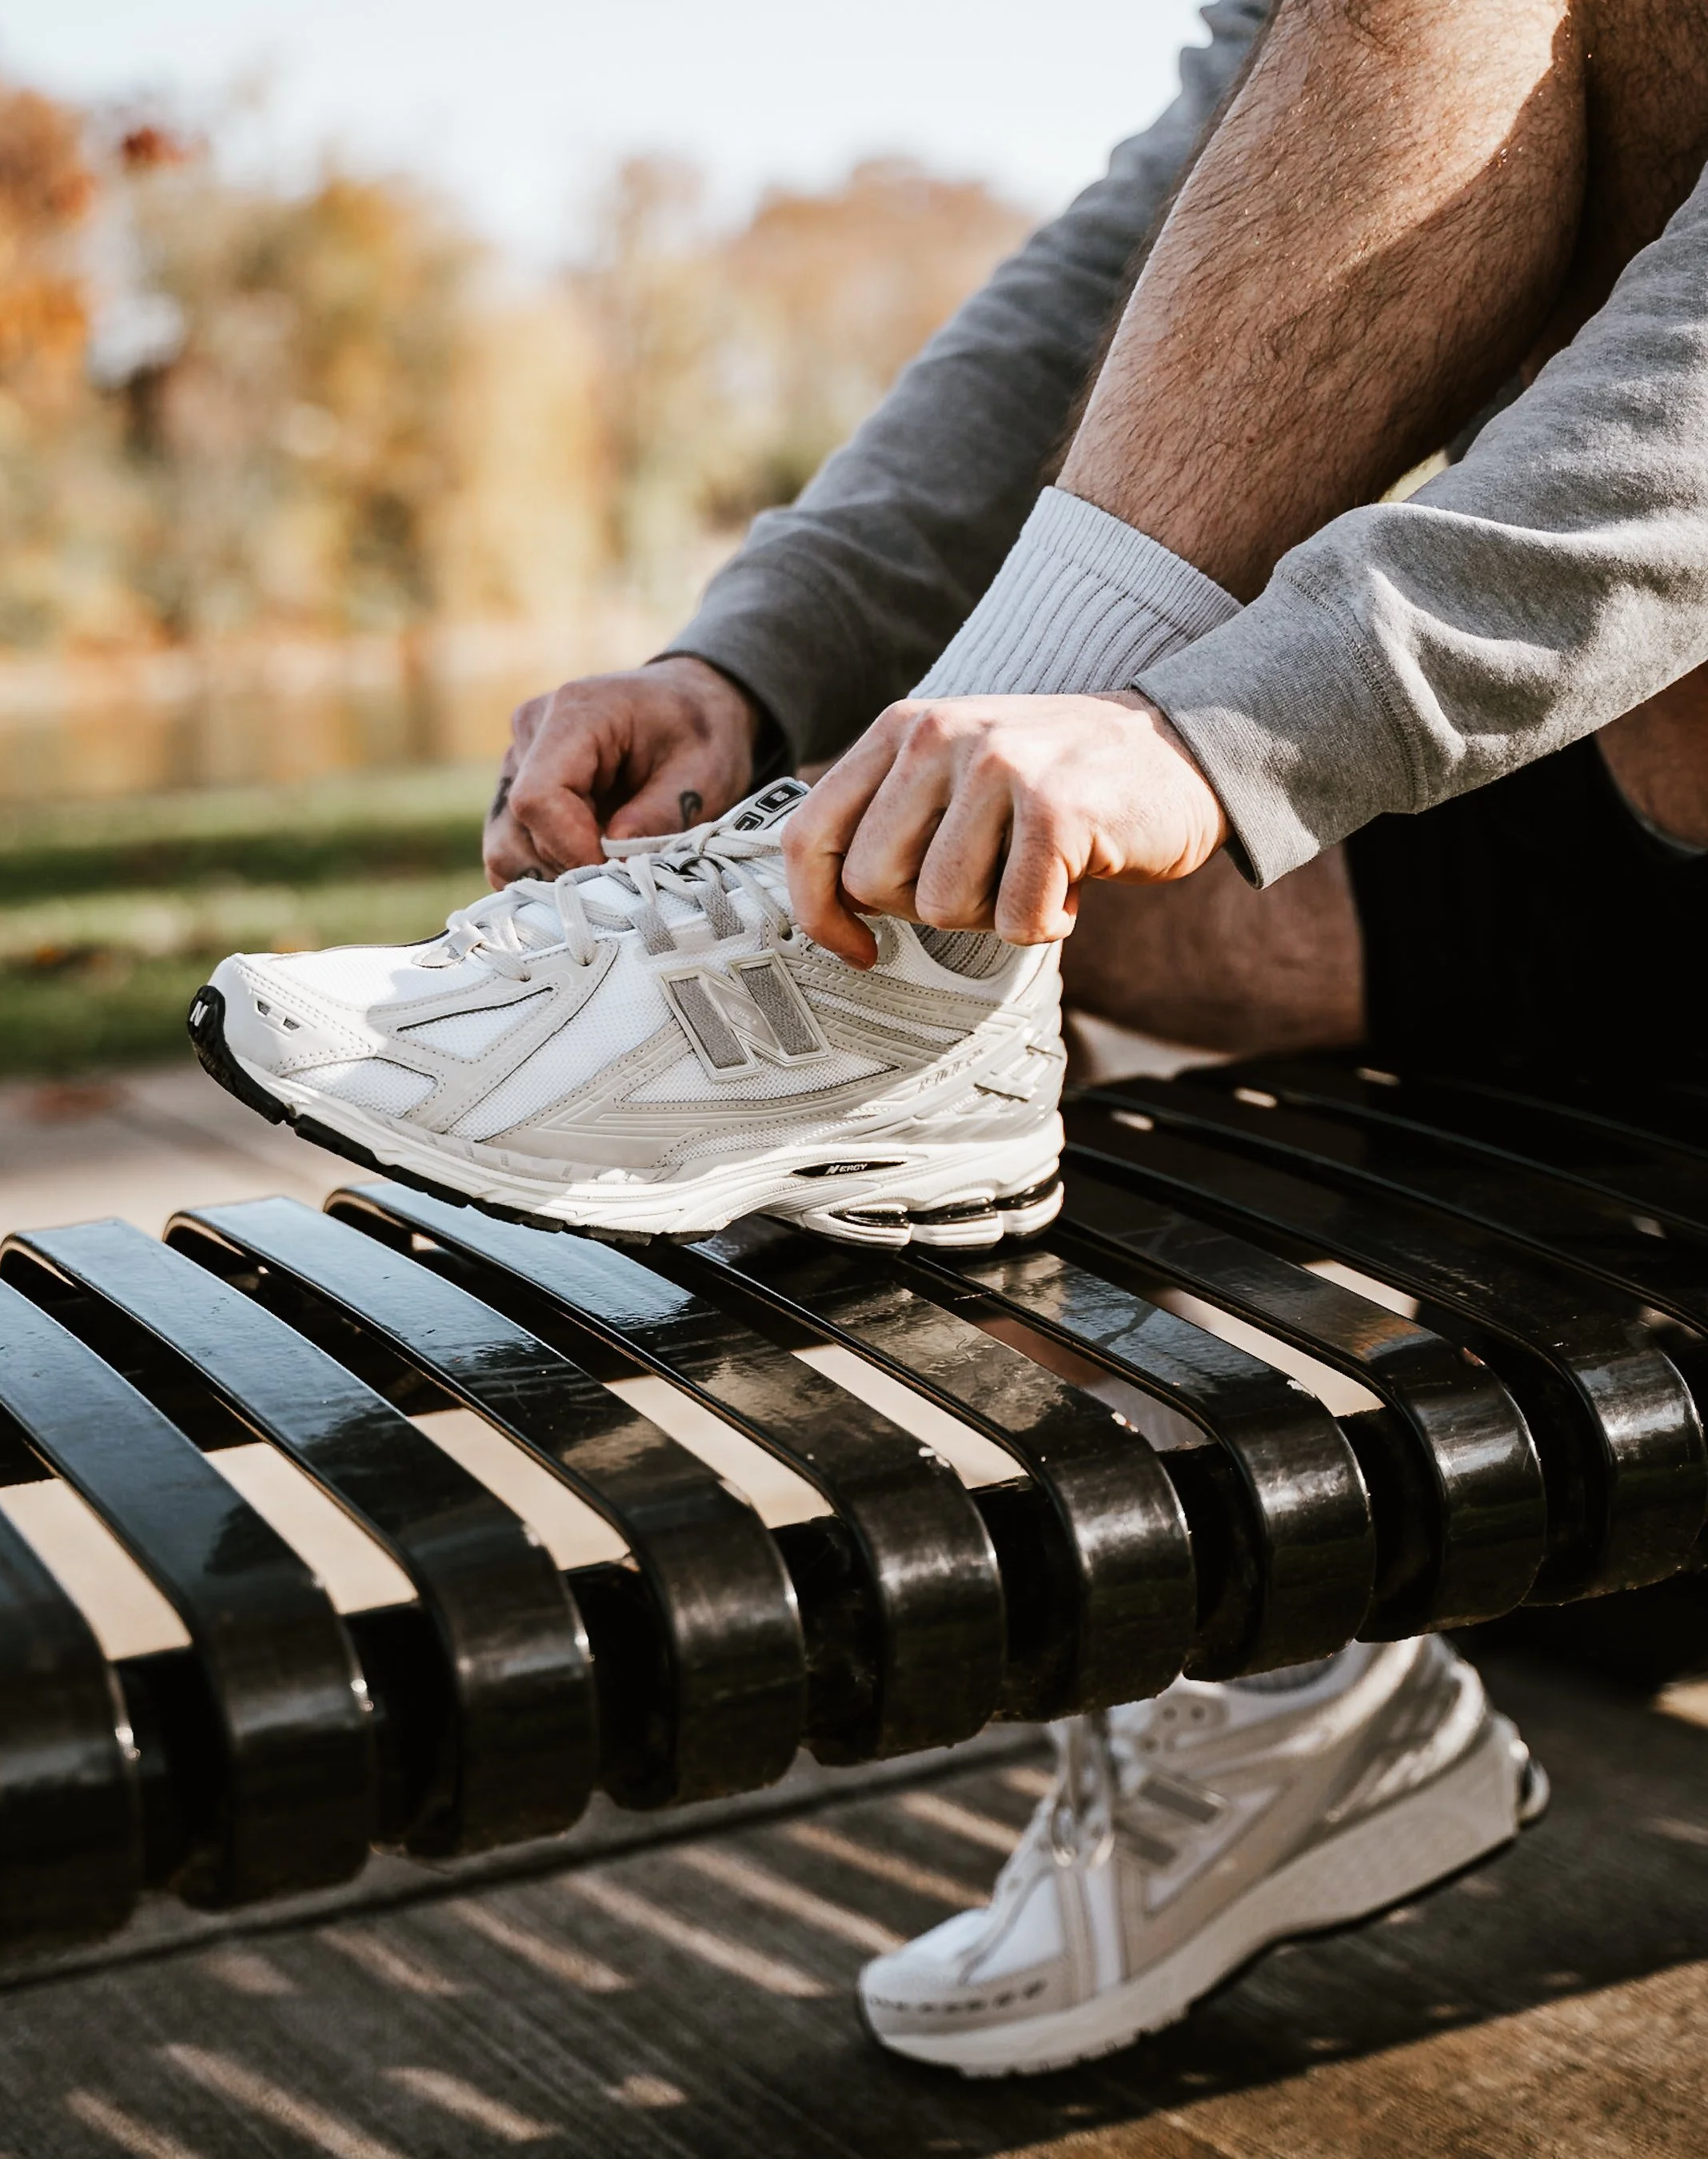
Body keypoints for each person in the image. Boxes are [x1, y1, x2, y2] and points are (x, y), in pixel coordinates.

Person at [192, 0, 1708, 2075]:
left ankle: (843, 947)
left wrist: (1230, 722)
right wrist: (774, 668)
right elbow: (1175, 242)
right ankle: (1270, 1689)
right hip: (1622, 829)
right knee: (977, 890)